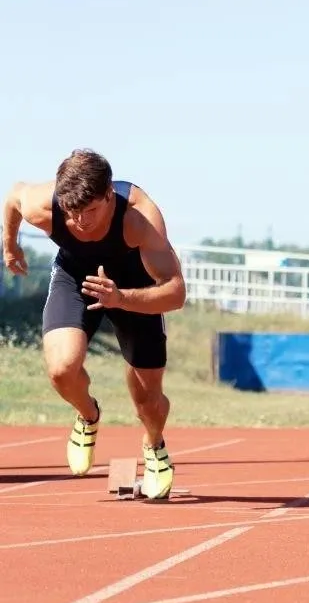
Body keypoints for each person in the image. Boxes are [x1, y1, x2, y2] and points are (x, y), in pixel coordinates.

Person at [2, 149, 187, 499]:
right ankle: (88, 415)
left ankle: (154, 444)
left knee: (148, 399)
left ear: (108, 196)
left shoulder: (138, 217)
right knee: (61, 369)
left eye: (91, 211)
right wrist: (10, 245)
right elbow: (13, 196)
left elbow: (175, 292)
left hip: (135, 284)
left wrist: (122, 298)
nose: (82, 222)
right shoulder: (45, 205)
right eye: (73, 213)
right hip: (75, 276)